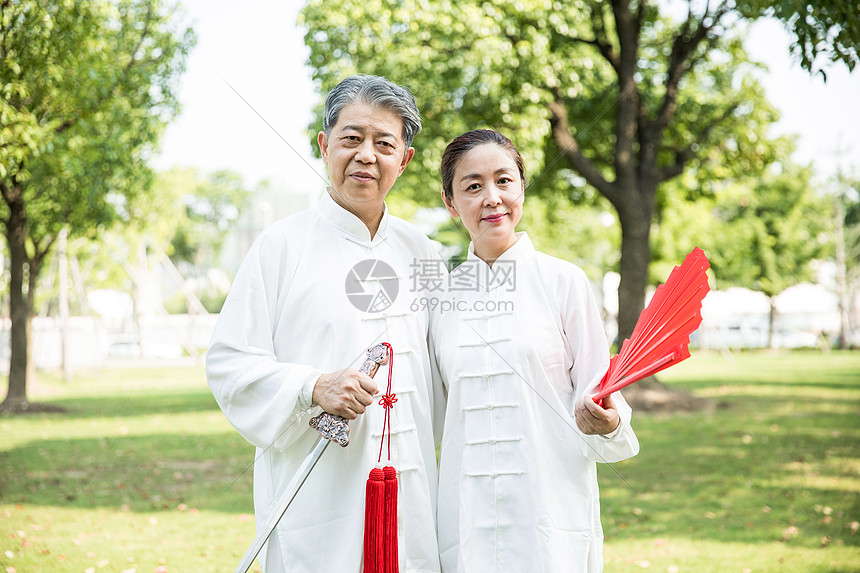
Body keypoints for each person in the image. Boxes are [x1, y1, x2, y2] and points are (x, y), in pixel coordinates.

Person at [206, 75, 444, 573]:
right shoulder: (281, 246)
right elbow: (229, 363)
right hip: (314, 499)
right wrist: (313, 385)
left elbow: (455, 367)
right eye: (351, 139)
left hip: (413, 499)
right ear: (324, 145)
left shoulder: (423, 254)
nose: (365, 155)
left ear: (404, 160)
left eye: (384, 144)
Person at [432, 129, 639, 572]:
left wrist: (608, 420)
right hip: (465, 515)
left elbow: (601, 390)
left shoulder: (563, 282)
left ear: (522, 187)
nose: (492, 198)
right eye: (473, 186)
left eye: (504, 181)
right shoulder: (439, 299)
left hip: (549, 511)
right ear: (451, 203)